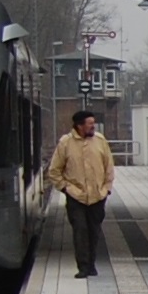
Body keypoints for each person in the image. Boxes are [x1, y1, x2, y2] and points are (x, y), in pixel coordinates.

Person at [45, 109, 115, 279]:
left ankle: (91, 264)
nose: (93, 126)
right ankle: (83, 266)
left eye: (93, 123)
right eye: (90, 124)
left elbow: (109, 167)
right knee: (80, 230)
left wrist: (106, 188)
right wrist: (65, 188)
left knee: (94, 230)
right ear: (79, 125)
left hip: (98, 196)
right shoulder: (65, 143)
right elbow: (54, 171)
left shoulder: (100, 141)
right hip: (76, 196)